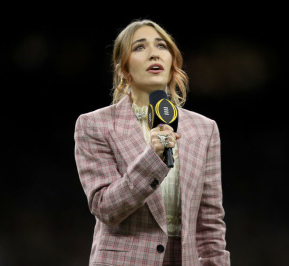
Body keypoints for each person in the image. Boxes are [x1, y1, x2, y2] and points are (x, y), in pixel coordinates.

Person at [74, 19, 230, 265]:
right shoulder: (95, 125)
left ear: (172, 63)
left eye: (161, 46)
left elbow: (210, 222)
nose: (154, 53)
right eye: (139, 47)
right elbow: (105, 208)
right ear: (123, 69)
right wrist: (152, 158)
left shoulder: (204, 129)